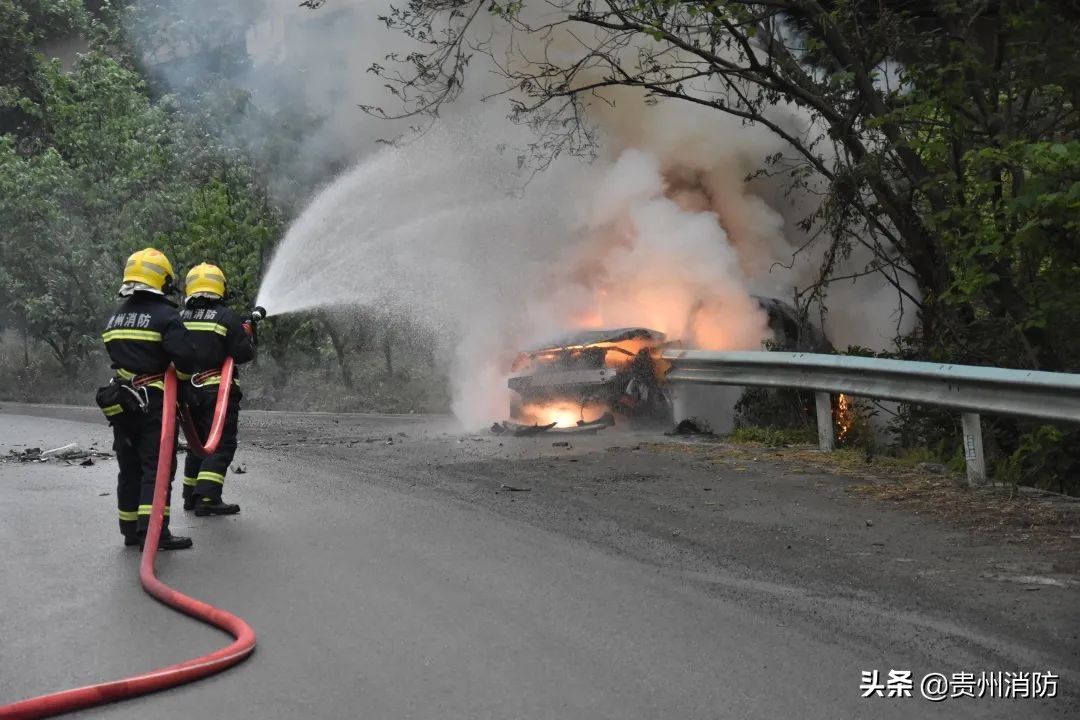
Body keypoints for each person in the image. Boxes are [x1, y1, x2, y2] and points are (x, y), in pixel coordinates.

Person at [98, 248, 196, 550]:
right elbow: (185, 361)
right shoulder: (166, 316)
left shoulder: (116, 316)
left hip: (122, 400)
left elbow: (115, 352)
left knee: (129, 466)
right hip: (153, 402)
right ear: (161, 279)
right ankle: (155, 533)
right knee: (157, 467)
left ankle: (130, 529)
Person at [177, 263, 256, 516]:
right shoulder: (225, 317)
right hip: (216, 394)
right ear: (220, 287)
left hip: (186, 394)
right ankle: (208, 498)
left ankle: (190, 496)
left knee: (197, 444)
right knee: (221, 444)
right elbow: (242, 354)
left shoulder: (180, 317)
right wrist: (248, 333)